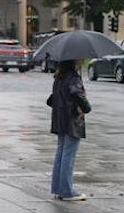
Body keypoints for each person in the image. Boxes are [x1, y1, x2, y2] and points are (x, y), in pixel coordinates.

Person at [46, 59, 91, 201]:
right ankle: (67, 191)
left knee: (61, 154)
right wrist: (86, 107)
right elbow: (76, 93)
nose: (82, 59)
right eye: (80, 58)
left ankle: (58, 188)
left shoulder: (59, 76)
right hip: (71, 120)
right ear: (74, 61)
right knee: (68, 155)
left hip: (60, 119)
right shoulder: (73, 77)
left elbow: (52, 100)